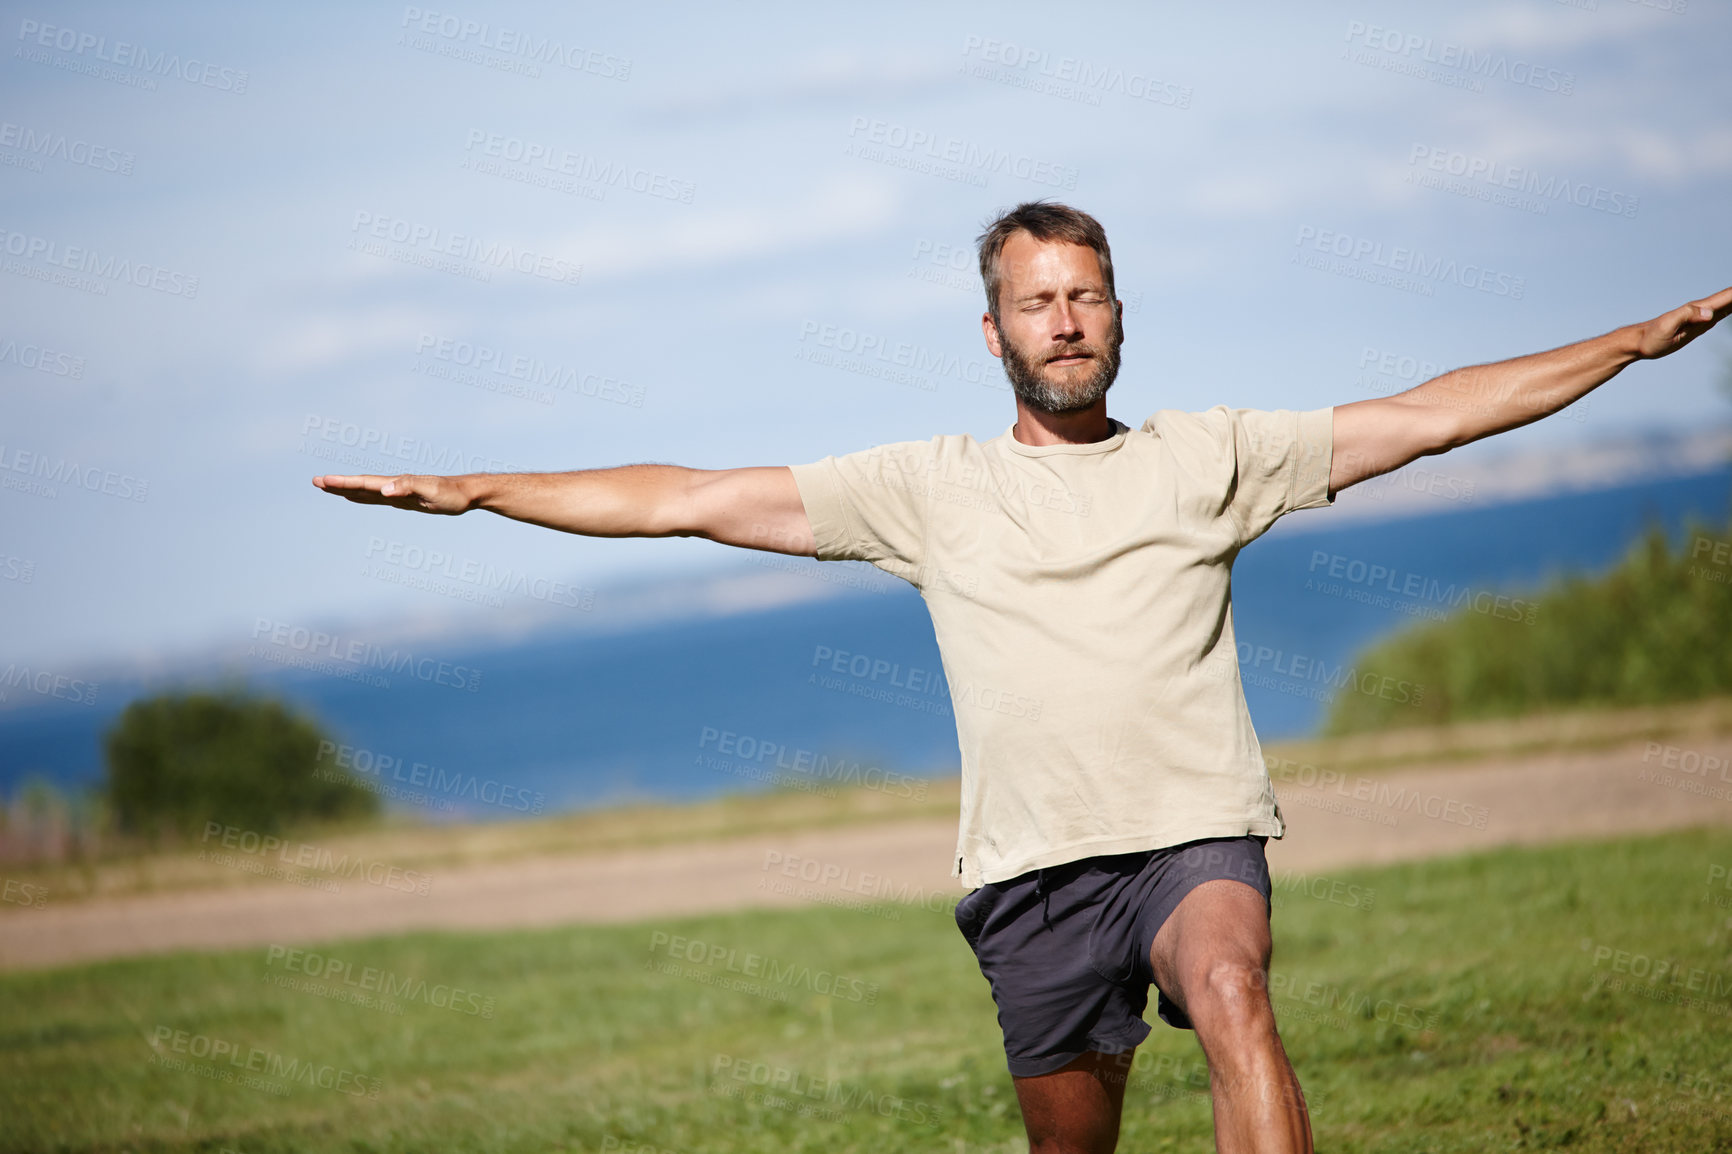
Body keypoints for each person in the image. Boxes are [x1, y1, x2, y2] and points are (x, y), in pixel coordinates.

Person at [314, 201, 1730, 1154]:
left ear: (1120, 319)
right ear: (993, 334)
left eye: (1087, 295)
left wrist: (1628, 341)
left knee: (1234, 988)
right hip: (1031, 877)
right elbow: (685, 495)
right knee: (1073, 1134)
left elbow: (1426, 414)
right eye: (1035, 302)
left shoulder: (1208, 455)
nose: (1065, 320)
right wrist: (478, 488)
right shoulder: (925, 490)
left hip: (1190, 836)